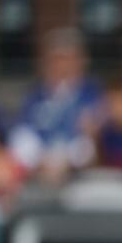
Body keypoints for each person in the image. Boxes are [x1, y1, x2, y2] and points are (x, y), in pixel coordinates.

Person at [8, 28, 102, 186]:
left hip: (77, 171)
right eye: (56, 60)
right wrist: (42, 160)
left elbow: (91, 140)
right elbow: (23, 133)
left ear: (80, 61)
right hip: (40, 168)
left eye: (68, 59)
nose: (62, 66)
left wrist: (66, 159)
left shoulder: (92, 94)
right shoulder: (35, 95)